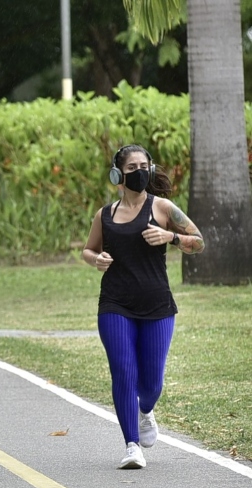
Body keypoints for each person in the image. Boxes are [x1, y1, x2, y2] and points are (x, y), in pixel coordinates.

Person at [82, 144, 204, 469]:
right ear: (117, 174)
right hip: (114, 304)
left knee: (151, 383)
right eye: (132, 166)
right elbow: (87, 250)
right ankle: (131, 445)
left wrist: (171, 238)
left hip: (157, 306)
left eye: (144, 165)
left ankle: (146, 410)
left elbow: (198, 241)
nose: (139, 171)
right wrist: (97, 259)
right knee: (123, 371)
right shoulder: (105, 215)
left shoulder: (162, 208)